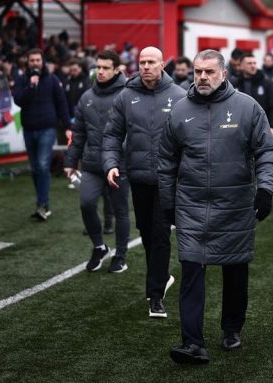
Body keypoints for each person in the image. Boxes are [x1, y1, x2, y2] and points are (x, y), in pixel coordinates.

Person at [159, 49, 273, 364]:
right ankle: (192, 343)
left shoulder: (247, 107)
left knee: (235, 269)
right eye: (198, 71)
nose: (202, 77)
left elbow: (266, 150)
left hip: (235, 204)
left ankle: (231, 328)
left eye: (209, 72)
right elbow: (166, 159)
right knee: (191, 269)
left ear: (223, 73)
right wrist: (167, 200)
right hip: (191, 205)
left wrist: (265, 189)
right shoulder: (180, 110)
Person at [104, 46, 186, 318]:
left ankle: (155, 295)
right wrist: (111, 164)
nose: (146, 66)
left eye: (152, 62)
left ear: (162, 65)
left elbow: (191, 135)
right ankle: (161, 278)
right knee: (147, 231)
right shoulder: (126, 96)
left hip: (168, 179)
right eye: (142, 62)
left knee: (161, 233)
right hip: (138, 177)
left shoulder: (179, 96)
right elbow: (112, 134)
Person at [64, 50, 131, 273]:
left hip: (119, 164)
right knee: (86, 203)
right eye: (98, 67)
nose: (100, 72)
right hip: (92, 164)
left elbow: (134, 131)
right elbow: (78, 133)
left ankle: (120, 255)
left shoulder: (128, 94)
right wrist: (71, 161)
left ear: (116, 70)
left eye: (105, 68)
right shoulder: (87, 97)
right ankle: (99, 247)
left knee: (120, 211)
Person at [13, 48, 71, 221]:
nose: (35, 63)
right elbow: (18, 100)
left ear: (42, 61)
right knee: (35, 168)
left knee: (42, 165)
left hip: (47, 128)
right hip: (28, 129)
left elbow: (61, 103)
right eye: (32, 60)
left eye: (38, 60)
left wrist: (68, 125)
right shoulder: (22, 80)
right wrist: (31, 86)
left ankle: (43, 204)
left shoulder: (53, 80)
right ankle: (41, 203)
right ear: (28, 63)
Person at [231, 53, 273, 138]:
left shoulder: (266, 83)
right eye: (249, 63)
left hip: (263, 128)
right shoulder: (234, 85)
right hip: (241, 130)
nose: (253, 66)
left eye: (254, 63)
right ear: (241, 66)